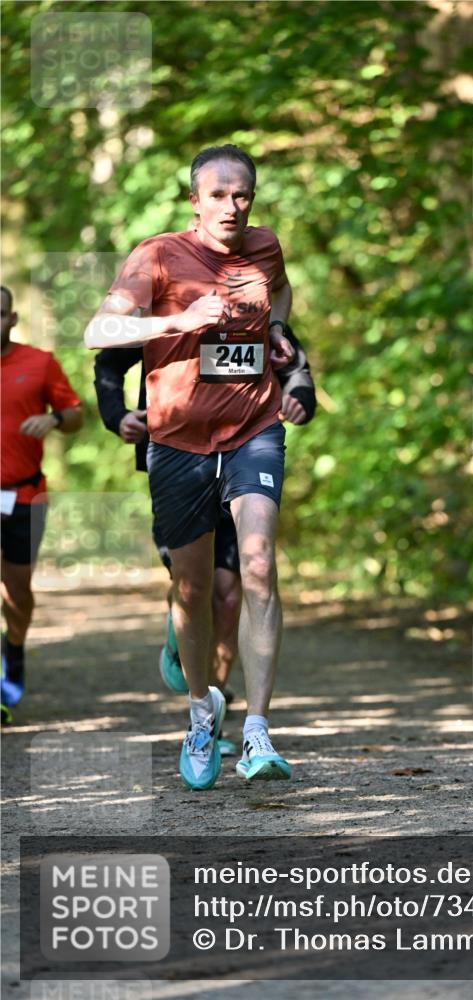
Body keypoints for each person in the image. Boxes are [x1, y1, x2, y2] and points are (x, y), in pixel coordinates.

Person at [84, 144, 299, 790]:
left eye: (242, 196)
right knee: (192, 589)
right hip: (176, 438)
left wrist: (276, 338)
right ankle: (200, 712)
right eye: (217, 195)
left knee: (257, 566)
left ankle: (257, 729)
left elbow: (280, 294)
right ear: (193, 200)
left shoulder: (264, 249)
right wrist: (179, 319)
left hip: (253, 427)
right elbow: (98, 333)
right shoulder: (156, 255)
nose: (231, 207)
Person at [93, 323, 317, 751]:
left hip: (243, 454)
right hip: (176, 457)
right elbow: (108, 361)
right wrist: (117, 415)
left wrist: (300, 397)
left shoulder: (248, 302)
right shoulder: (169, 304)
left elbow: (294, 363)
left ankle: (216, 712)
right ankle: (179, 624)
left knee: (232, 592)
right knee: (195, 585)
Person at [1, 284, 83, 721]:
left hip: (25, 495)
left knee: (17, 592)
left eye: (0, 314)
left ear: (12, 319)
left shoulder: (39, 363)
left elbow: (75, 414)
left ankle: (12, 653)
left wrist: (52, 418)